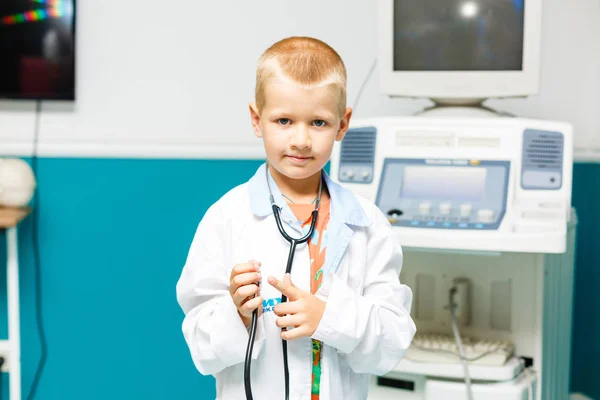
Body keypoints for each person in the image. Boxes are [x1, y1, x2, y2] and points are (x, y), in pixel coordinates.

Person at [176, 36, 416, 400]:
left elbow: (392, 343)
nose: (301, 139)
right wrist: (237, 315)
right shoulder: (226, 217)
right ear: (257, 120)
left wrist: (330, 317)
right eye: (284, 120)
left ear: (343, 124)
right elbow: (200, 347)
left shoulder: (366, 224)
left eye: (318, 122)